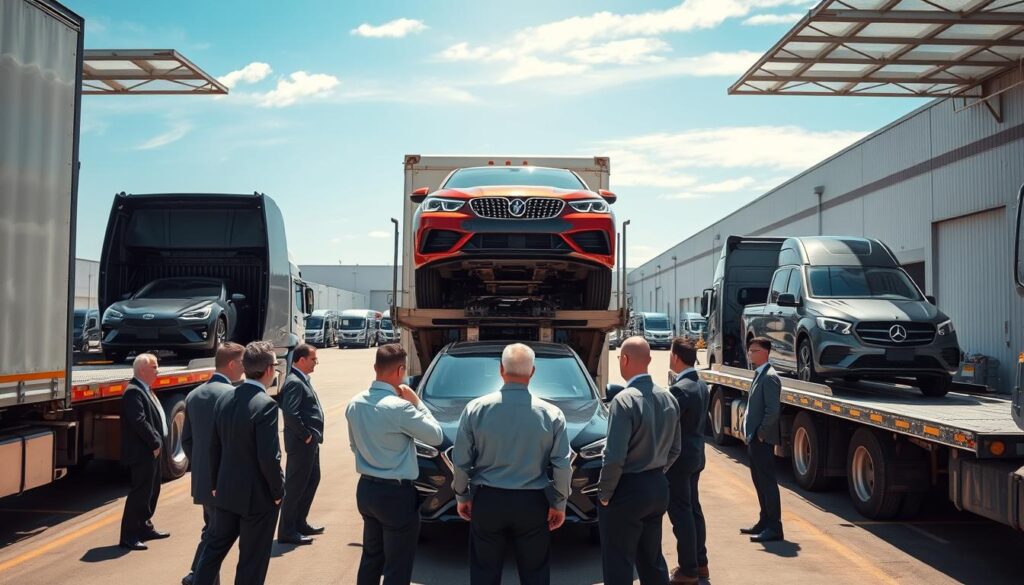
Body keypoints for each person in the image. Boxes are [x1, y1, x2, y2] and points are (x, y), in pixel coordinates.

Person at [451, 343, 572, 585]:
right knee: (535, 573)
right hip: (532, 502)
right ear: (533, 372)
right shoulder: (552, 413)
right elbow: (562, 465)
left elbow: (461, 460)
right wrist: (559, 503)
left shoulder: (475, 409)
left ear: (500, 370)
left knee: (484, 573)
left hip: (488, 501)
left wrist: (462, 496)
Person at [346, 344, 443, 585]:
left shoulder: (355, 402)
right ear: (401, 370)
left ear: (375, 368)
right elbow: (436, 436)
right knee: (397, 564)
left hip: (367, 489)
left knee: (371, 557)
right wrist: (417, 403)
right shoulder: (399, 407)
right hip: (395, 493)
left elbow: (354, 446)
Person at [193, 341, 284, 585]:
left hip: (224, 492)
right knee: (251, 561)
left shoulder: (225, 398)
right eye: (275, 365)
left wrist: (215, 483)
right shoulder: (266, 405)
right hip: (257, 498)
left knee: (213, 552)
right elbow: (269, 457)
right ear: (267, 370)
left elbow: (214, 447)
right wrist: (278, 491)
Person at [598, 336, 681, 585]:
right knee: (651, 559)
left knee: (619, 562)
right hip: (657, 487)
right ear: (649, 360)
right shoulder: (669, 398)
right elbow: (676, 449)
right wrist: (655, 471)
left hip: (627, 490)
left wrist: (604, 492)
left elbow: (614, 456)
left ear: (624, 359)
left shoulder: (623, 400)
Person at [180, 342, 245, 585]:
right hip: (225, 482)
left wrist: (202, 466)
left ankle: (199, 576)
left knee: (212, 532)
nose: (245, 367)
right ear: (231, 364)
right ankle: (197, 576)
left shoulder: (194, 395)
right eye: (242, 362)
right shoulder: (233, 396)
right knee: (218, 537)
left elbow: (187, 441)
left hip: (203, 481)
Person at [665, 338, 710, 585]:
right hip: (696, 456)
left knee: (681, 514)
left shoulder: (680, 388)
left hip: (680, 460)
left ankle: (688, 570)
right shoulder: (700, 384)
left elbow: (667, 425)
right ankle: (701, 564)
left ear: (675, 357)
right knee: (693, 510)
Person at [118, 353, 170, 551]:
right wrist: (155, 442)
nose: (158, 371)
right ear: (141, 370)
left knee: (152, 491)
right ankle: (129, 536)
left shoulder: (144, 389)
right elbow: (139, 421)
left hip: (151, 451)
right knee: (140, 493)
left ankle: (145, 527)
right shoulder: (133, 392)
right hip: (142, 452)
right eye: (154, 367)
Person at [278, 343, 325, 545]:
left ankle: (300, 522)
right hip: (301, 444)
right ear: (301, 360)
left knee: (312, 479)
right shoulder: (294, 382)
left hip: (310, 443)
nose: (316, 363)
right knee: (295, 487)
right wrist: (306, 436)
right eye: (313, 359)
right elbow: (290, 413)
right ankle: (287, 531)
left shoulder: (301, 379)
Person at [741, 337, 784, 543]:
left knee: (767, 483)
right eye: (749, 350)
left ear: (765, 352)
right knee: (758, 482)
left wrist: (760, 433)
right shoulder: (759, 375)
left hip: (762, 440)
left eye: (753, 351)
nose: (750, 354)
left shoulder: (770, 377)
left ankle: (774, 527)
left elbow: (773, 410)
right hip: (754, 438)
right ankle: (764, 521)